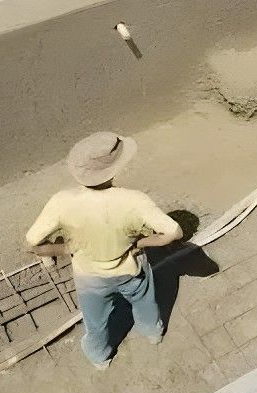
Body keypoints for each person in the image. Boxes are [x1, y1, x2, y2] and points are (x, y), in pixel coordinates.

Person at [25, 132, 183, 370]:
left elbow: (31, 244)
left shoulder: (61, 201)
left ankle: (100, 357)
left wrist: (66, 248)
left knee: (95, 322)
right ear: (114, 170)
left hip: (89, 277)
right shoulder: (135, 200)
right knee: (144, 301)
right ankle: (153, 333)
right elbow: (174, 232)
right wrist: (139, 244)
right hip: (130, 269)